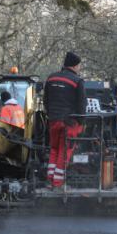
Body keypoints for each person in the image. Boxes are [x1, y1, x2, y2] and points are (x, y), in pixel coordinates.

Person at [44, 51, 87, 188]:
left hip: (53, 120)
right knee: (65, 151)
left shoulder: (51, 78)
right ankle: (58, 183)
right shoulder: (77, 81)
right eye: (79, 65)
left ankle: (50, 179)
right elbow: (82, 105)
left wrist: (51, 115)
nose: (79, 68)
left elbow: (46, 100)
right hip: (69, 122)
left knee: (54, 149)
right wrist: (82, 123)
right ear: (74, 66)